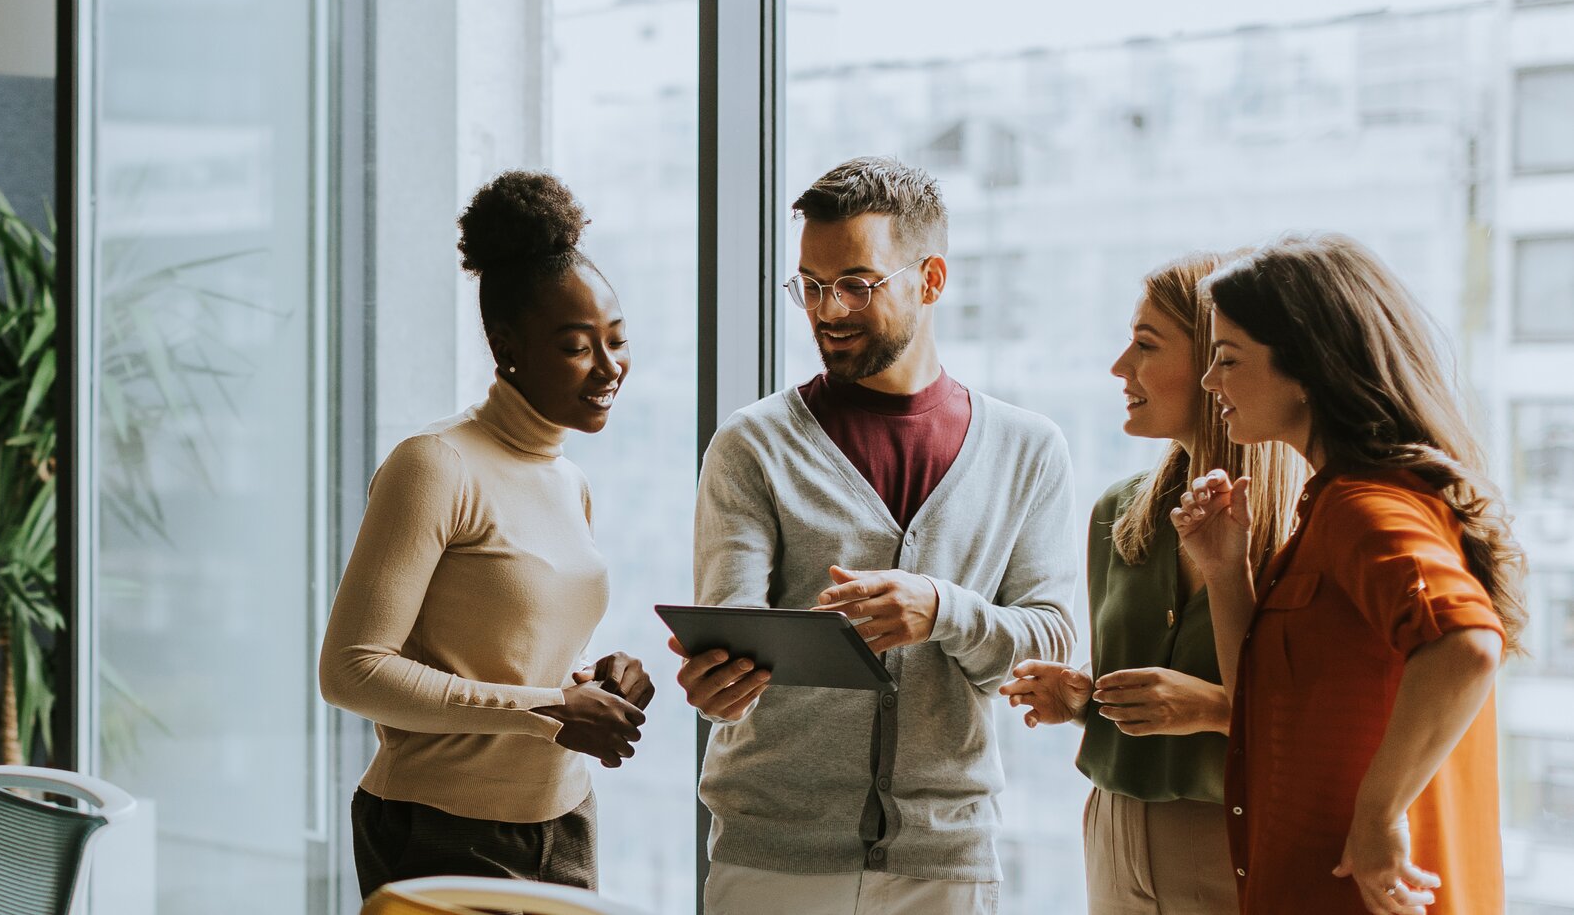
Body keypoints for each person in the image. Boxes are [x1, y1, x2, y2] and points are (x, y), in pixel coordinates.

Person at [674, 156, 1076, 913]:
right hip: (773, 858)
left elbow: (1052, 641)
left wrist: (942, 609)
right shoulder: (752, 445)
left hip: (945, 859)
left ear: (931, 280)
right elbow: (735, 634)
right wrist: (720, 687)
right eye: (812, 285)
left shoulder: (1029, 449)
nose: (828, 310)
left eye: (857, 283)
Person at [320, 170, 654, 894]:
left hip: (566, 825)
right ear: (508, 346)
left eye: (617, 339)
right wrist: (551, 710)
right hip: (437, 829)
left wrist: (593, 677)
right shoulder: (434, 464)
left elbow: (516, 645)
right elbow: (351, 670)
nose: (609, 366)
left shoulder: (571, 481)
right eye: (576, 345)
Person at [1176, 233, 1521, 915]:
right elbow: (1264, 710)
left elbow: (1467, 643)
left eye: (1227, 358)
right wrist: (1226, 572)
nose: (1211, 382)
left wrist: (1379, 816)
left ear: (1306, 367)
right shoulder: (1332, 509)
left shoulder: (1365, 508)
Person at [999, 251, 1302, 914]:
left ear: (1217, 361)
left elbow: (1324, 718)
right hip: (1111, 826)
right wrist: (1084, 697)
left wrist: (1214, 708)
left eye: (1144, 344)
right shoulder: (1118, 513)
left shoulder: (1303, 530)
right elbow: (1143, 685)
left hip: (1231, 838)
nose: (1119, 367)